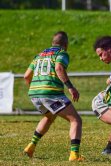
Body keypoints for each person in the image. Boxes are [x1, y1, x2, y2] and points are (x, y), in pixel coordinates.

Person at [23, 31, 83, 161]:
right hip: (51, 94)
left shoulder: (39, 55)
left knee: (49, 116)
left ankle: (30, 146)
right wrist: (71, 87)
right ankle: (74, 155)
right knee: (76, 120)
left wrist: (36, 89)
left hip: (34, 94)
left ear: (53, 42)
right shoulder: (61, 53)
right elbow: (59, 68)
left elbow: (26, 76)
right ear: (65, 44)